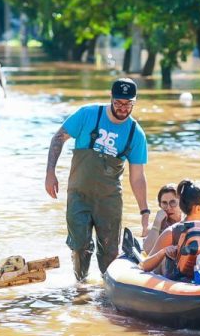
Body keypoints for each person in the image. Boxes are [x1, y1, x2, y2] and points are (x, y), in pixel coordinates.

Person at [45, 78, 150, 282]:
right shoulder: (88, 114)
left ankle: (106, 292)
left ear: (134, 102)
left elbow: (137, 177)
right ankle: (80, 287)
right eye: (118, 102)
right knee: (79, 246)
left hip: (109, 199)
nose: (123, 108)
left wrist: (144, 211)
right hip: (78, 194)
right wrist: (50, 172)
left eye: (128, 104)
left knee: (110, 252)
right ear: (111, 98)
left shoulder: (135, 133)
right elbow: (58, 138)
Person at [140, 180, 200, 276]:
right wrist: (164, 252)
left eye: (173, 202)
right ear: (198, 209)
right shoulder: (171, 233)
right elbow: (144, 265)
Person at [142, 183, 183, 253]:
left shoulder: (189, 221)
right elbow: (147, 250)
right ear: (159, 205)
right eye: (164, 203)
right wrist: (156, 223)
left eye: (173, 202)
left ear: (182, 203)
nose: (168, 207)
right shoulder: (156, 226)